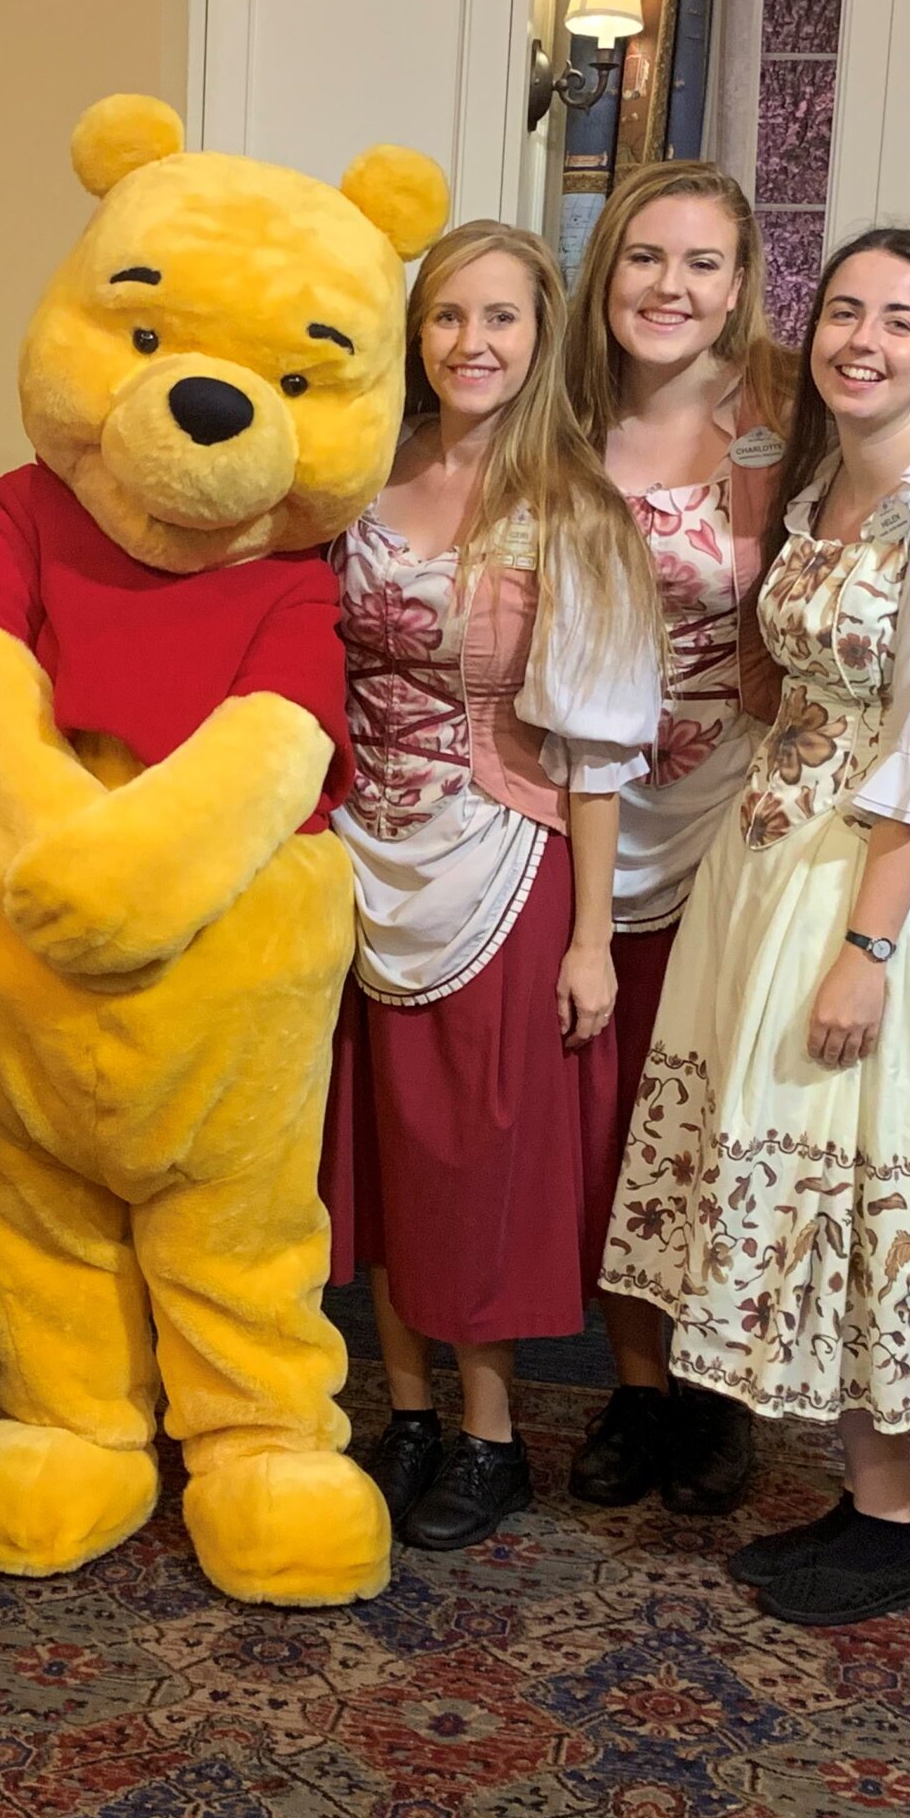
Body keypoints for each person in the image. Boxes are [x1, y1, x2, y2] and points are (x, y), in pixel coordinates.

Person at [601, 226, 910, 1626]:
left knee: (868, 1184)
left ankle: (896, 1518)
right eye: (845, 311)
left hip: (878, 892)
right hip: (770, 866)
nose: (863, 339)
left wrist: (867, 952)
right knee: (807, 1179)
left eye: (899, 321)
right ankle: (858, 1498)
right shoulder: (823, 489)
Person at [322, 220, 663, 1550]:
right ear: (418, 333)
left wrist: (590, 941)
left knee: (479, 1154)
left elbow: (593, 751)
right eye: (450, 318)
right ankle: (405, 1411)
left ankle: (489, 1433)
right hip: (364, 852)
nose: (474, 344)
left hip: (503, 857)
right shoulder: (369, 470)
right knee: (386, 1147)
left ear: (542, 336)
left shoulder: (570, 506)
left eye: (503, 320)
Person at [560, 161, 795, 1519]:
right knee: (606, 1122)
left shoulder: (782, 425)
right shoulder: (559, 421)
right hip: (575, 810)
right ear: (609, 272)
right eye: (646, 257)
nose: (669, 287)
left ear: (739, 284)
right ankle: (636, 1386)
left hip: (739, 815)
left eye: (702, 264)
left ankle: (719, 1395)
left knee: (718, 1112)